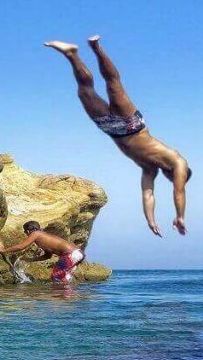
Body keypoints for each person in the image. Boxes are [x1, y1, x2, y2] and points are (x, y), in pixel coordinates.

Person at [44, 35, 191, 237]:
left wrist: (151, 220)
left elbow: (148, 194)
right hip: (133, 126)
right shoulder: (178, 162)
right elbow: (179, 192)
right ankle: (96, 47)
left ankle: (72, 54)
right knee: (113, 84)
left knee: (85, 92)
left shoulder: (149, 169)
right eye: (176, 179)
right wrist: (180, 216)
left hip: (111, 129)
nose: (173, 180)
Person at [0, 221, 85, 283]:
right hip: (79, 254)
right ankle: (69, 297)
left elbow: (21, 246)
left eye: (25, 232)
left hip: (71, 255)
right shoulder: (43, 238)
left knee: (56, 277)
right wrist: (29, 259)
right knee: (64, 277)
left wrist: (4, 250)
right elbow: (48, 256)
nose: (26, 234)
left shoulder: (36, 234)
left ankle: (62, 301)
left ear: (28, 231)